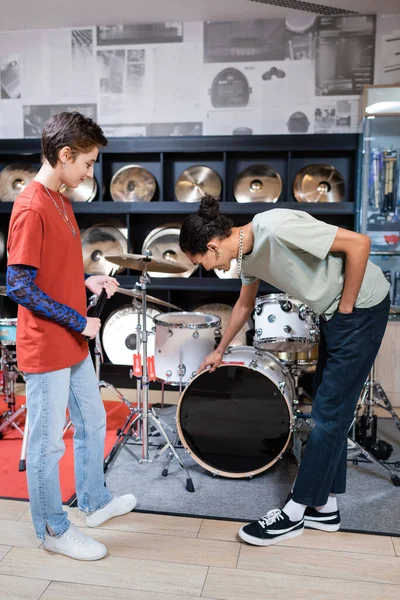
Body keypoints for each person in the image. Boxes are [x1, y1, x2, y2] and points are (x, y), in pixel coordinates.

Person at [179, 194, 390, 547]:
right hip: (335, 316)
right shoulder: (248, 257)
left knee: (327, 417)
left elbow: (359, 243)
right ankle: (325, 507)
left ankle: (294, 513)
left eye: (204, 262)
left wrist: (347, 309)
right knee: (329, 409)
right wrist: (219, 350)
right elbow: (244, 304)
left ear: (214, 246)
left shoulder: (277, 227)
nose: (210, 268)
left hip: (361, 308)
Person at [6, 111, 137, 561]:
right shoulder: (30, 206)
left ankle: (95, 502)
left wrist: (86, 283)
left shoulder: (62, 200)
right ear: (65, 155)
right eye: (87, 162)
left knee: (93, 422)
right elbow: (20, 286)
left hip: (72, 343)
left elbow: (51, 273)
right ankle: (53, 530)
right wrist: (79, 320)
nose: (89, 172)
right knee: (45, 443)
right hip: (48, 345)